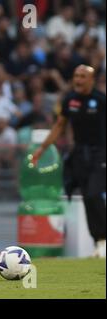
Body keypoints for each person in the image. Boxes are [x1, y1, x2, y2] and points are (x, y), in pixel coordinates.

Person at [32, 64, 106, 258]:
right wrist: (42, 149)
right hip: (80, 154)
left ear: (92, 80)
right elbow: (59, 126)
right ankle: (98, 242)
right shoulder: (70, 100)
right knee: (85, 197)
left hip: (101, 153)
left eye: (82, 76)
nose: (78, 80)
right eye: (76, 76)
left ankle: (103, 238)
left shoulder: (101, 100)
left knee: (93, 194)